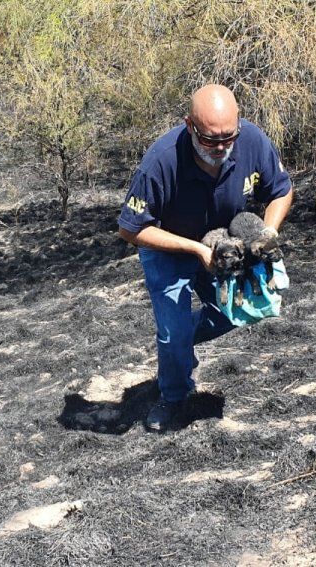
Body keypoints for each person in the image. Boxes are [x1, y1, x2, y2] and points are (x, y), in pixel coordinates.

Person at [117, 84, 294, 432]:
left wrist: (267, 233)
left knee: (242, 311)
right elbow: (131, 228)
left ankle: (178, 346)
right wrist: (197, 250)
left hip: (224, 241)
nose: (221, 147)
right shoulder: (161, 161)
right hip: (170, 246)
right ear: (189, 125)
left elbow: (281, 190)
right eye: (210, 140)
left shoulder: (253, 142)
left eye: (228, 137)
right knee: (172, 330)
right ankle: (173, 394)